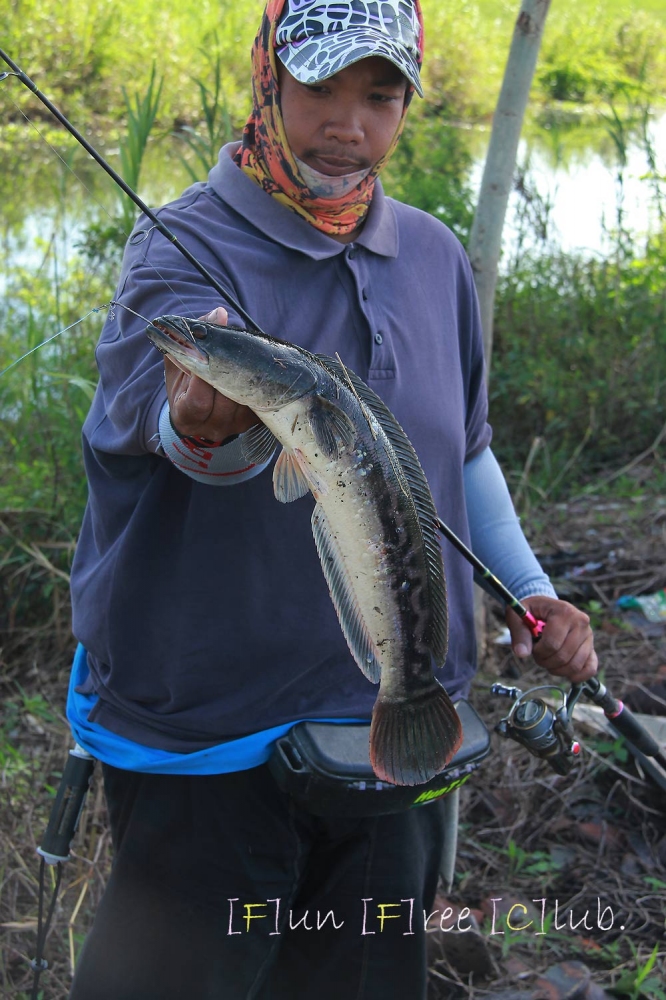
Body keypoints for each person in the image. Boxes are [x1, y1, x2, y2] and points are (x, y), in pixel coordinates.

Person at [67, 2, 597, 997]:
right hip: (212, 740)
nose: (347, 124)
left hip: (389, 732)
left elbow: (463, 454)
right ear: (267, 78)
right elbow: (168, 447)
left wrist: (530, 587)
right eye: (320, 87)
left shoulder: (435, 257)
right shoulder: (179, 249)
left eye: (381, 95)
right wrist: (203, 426)